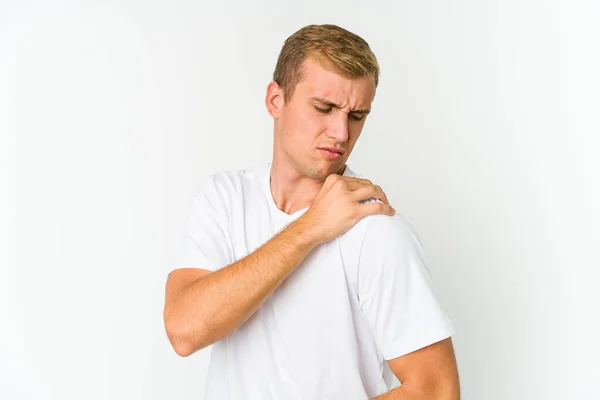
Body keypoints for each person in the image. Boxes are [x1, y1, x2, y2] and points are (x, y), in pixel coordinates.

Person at [164, 24, 460, 400]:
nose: (340, 132)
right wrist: (309, 228)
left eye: (357, 116)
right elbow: (184, 331)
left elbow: (436, 390)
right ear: (276, 100)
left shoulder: (374, 230)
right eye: (324, 108)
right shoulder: (225, 198)